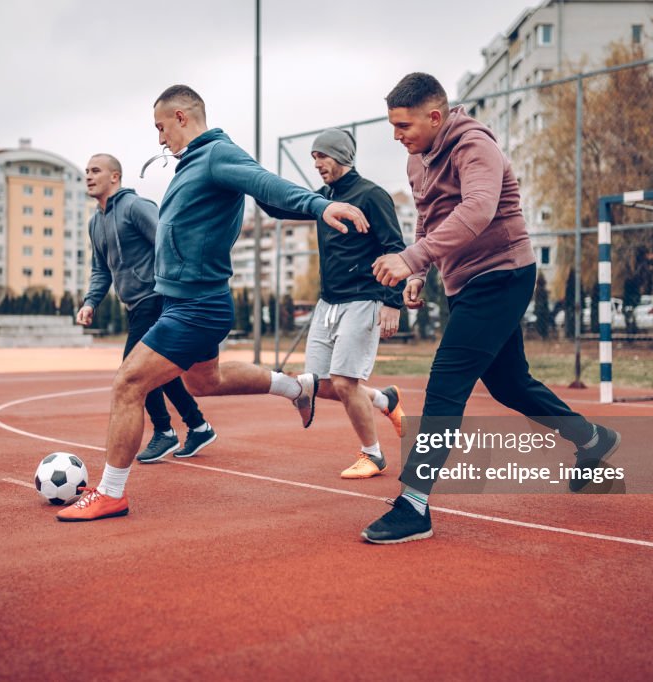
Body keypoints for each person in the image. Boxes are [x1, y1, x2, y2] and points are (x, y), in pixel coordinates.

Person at [58, 85, 370, 522]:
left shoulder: (219, 154)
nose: (160, 139)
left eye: (161, 127)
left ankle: (111, 493)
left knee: (128, 384)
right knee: (204, 382)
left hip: (197, 307)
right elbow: (263, 201)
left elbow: (268, 185)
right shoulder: (194, 164)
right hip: (186, 303)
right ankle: (296, 387)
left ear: (182, 117)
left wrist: (319, 205)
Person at [363, 72, 621, 544]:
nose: (396, 136)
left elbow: (478, 210)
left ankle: (414, 503)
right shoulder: (417, 162)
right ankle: (591, 439)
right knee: (509, 383)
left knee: (446, 383)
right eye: (393, 126)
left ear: (435, 117)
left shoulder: (474, 145)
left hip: (503, 273)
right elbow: (428, 219)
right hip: (464, 282)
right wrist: (419, 273)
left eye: (403, 126)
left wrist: (411, 259)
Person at [258, 128, 407, 480]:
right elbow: (283, 209)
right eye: (313, 157)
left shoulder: (372, 195)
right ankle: (386, 400)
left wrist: (392, 302)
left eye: (321, 156)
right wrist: (246, 182)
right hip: (329, 304)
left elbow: (395, 248)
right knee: (321, 384)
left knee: (343, 381)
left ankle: (373, 455)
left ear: (341, 155)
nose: (317, 163)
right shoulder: (324, 199)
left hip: (364, 299)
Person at [78, 153, 216, 463]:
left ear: (115, 177)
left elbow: (166, 242)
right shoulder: (95, 223)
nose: (88, 175)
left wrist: (178, 289)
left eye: (96, 170)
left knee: (134, 370)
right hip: (134, 305)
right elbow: (101, 269)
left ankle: (165, 431)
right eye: (86, 171)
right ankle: (198, 425)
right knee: (157, 371)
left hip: (157, 299)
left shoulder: (135, 207)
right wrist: (90, 302)